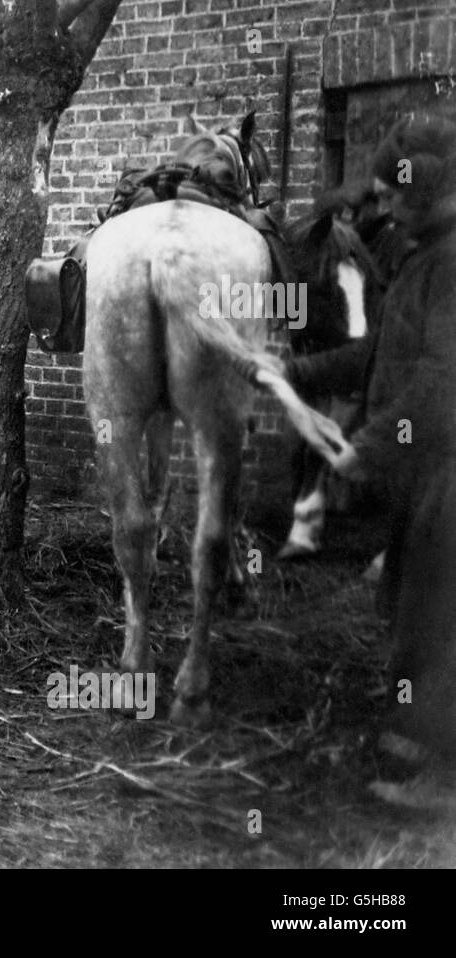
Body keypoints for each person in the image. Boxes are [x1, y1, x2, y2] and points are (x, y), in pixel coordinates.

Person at [284, 114, 456, 803]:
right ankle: (412, 745)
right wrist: (290, 371)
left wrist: (370, 446)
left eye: (388, 193)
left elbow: (443, 377)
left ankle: (435, 774)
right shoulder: (421, 255)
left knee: (437, 609)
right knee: (411, 598)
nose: (377, 206)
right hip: (428, 468)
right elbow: (375, 355)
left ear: (427, 188)